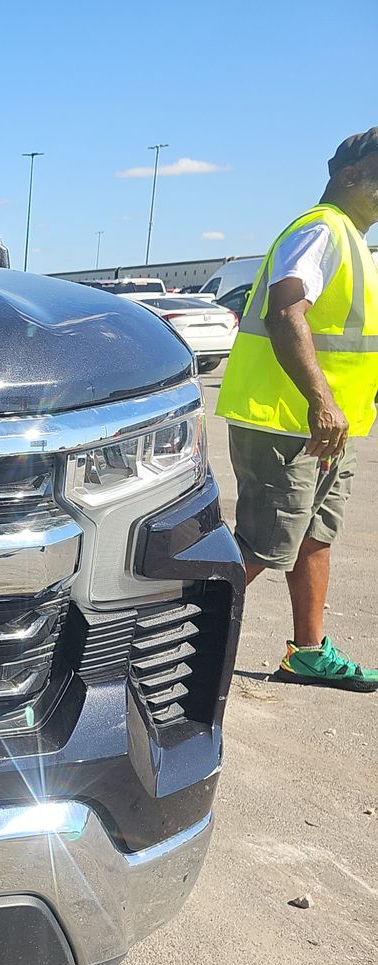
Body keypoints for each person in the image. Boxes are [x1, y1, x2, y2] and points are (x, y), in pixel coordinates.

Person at [215, 128, 378, 691]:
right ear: (352, 176)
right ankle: (145, 641)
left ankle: (308, 654)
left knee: (315, 536)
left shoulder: (354, 240)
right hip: (288, 422)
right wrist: (322, 403)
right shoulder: (322, 230)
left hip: (327, 427)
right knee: (262, 546)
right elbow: (287, 312)